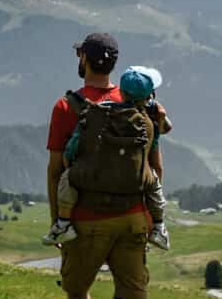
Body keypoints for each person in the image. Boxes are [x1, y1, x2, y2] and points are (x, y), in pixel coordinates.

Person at [45, 32, 166, 299]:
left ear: (83, 58)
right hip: (133, 217)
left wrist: (58, 220)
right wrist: (152, 214)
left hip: (85, 218)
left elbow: (56, 169)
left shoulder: (67, 107)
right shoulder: (137, 101)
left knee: (77, 290)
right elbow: (154, 166)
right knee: (136, 297)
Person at [44, 64, 172, 250]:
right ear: (148, 96)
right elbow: (157, 166)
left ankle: (62, 224)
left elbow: (70, 151)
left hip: (89, 210)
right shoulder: (148, 122)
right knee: (153, 182)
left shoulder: (97, 114)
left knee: (68, 179)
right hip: (131, 212)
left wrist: (70, 165)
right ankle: (159, 228)